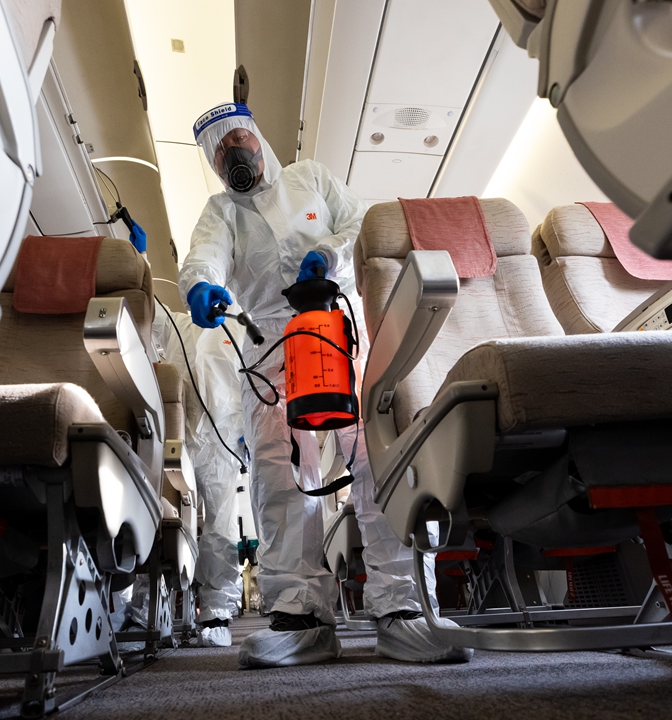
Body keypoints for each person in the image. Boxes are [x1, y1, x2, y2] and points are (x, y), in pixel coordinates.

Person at [178, 102, 471, 668]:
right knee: (280, 473)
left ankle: (404, 608)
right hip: (269, 352)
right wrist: (200, 286)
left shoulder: (309, 177)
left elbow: (363, 222)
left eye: (239, 137)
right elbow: (202, 258)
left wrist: (328, 253)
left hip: (340, 334)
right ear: (216, 165)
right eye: (221, 150)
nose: (234, 152)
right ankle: (300, 614)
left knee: (377, 459)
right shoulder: (220, 212)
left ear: (259, 138)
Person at [151, 302, 246, 647]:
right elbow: (140, 304)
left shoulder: (240, 326)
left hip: (221, 440)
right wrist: (140, 256)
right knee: (163, 515)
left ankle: (218, 612)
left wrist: (248, 431)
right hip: (177, 435)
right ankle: (143, 606)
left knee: (220, 524)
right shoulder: (173, 323)